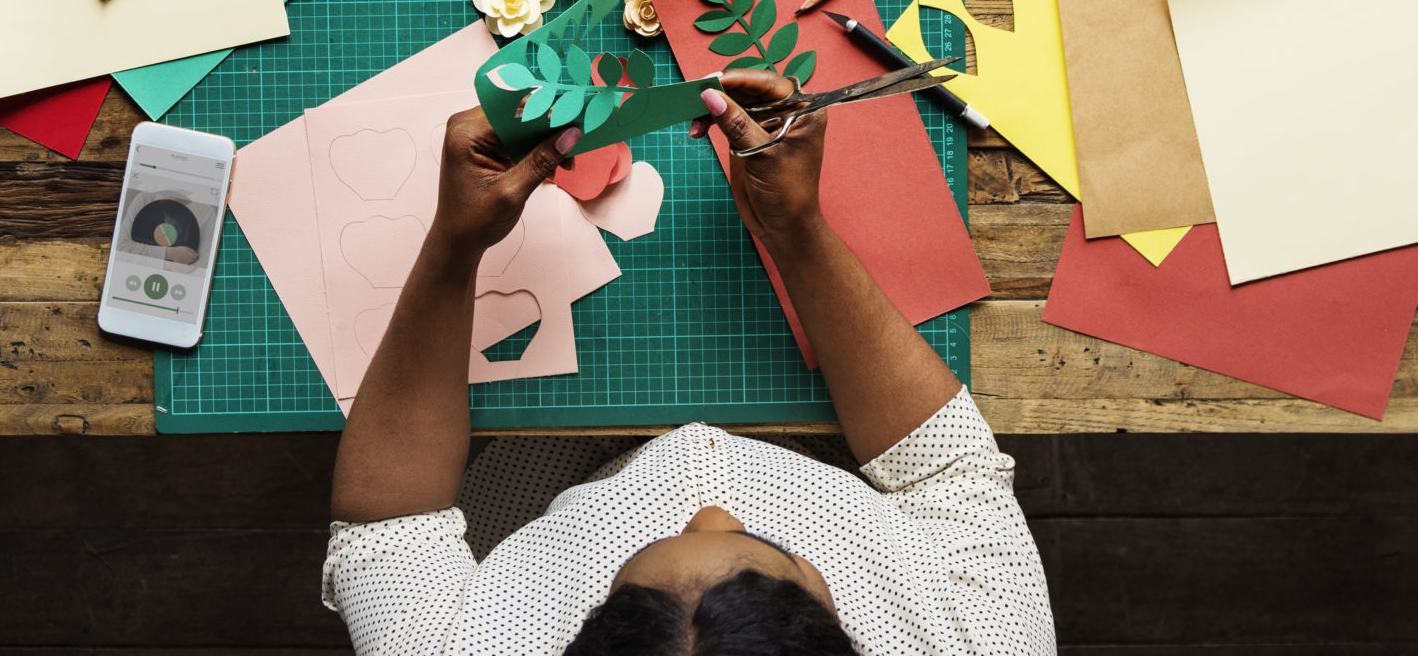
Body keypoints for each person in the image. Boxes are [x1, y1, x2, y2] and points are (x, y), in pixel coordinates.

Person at [323, 69, 1053, 655]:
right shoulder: (986, 640)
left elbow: (390, 525)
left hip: (538, 474)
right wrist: (794, 228)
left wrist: (453, 247)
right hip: (837, 451)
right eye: (773, 549)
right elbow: (944, 471)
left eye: (622, 584)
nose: (707, 510)